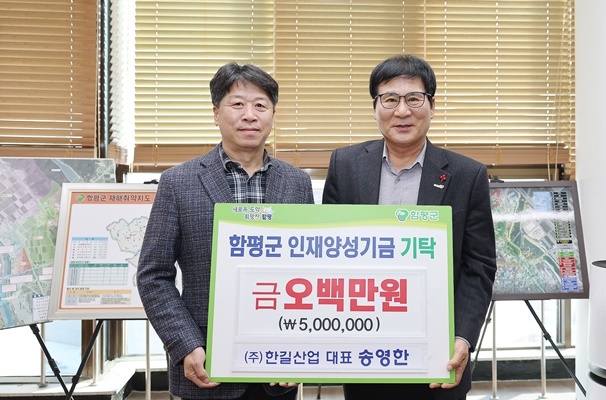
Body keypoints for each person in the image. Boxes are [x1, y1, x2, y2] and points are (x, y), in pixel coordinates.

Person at [322, 54, 497, 400]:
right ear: (375, 107)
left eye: (414, 99)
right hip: (364, 352)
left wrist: (462, 337)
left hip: (438, 355)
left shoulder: (467, 174)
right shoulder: (345, 165)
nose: (402, 111)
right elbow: (329, 255)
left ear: (432, 106)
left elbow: (478, 266)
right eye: (390, 99)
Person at [137, 62, 314, 400]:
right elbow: (153, 275)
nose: (250, 115)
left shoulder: (297, 183)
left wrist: (300, 348)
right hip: (206, 363)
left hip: (278, 366)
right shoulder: (178, 182)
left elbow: (310, 272)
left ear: (273, 114)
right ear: (216, 113)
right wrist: (186, 344)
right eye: (237, 104)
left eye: (260, 105)